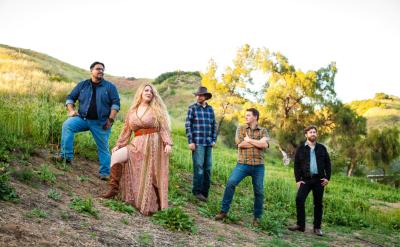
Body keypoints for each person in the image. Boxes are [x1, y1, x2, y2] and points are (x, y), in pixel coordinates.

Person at [101, 83, 172, 216]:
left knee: (149, 173)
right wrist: (120, 144)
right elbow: (127, 129)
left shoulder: (157, 110)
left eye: (151, 91)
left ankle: (152, 202)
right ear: (140, 92)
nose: (149, 93)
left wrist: (167, 143)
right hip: (136, 143)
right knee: (116, 156)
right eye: (146, 90)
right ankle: (113, 189)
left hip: (153, 144)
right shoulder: (132, 111)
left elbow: (164, 128)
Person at [54, 61, 120, 180]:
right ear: (91, 71)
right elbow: (70, 98)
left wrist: (110, 120)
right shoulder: (83, 85)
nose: (101, 71)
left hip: (101, 122)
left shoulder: (110, 87)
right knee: (67, 125)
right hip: (82, 118)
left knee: (103, 147)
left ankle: (105, 173)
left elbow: (116, 104)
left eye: (102, 69)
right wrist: (71, 110)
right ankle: (66, 156)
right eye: (98, 69)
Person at [215, 108, 269, 227]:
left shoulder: (263, 130)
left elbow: (264, 145)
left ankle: (257, 218)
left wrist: (249, 140)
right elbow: (239, 144)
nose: (246, 117)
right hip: (243, 164)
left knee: (259, 191)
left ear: (255, 117)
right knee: (231, 183)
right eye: (246, 115)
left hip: (259, 166)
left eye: (248, 115)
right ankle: (223, 211)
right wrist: (257, 143)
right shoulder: (241, 128)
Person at [288, 125, 331, 236]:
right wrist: (298, 180)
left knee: (318, 204)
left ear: (316, 134)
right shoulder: (301, 148)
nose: (313, 134)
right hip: (305, 180)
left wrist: (327, 178)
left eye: (314, 132)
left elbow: (328, 163)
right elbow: (296, 165)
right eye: (310, 132)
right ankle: (300, 225)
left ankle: (317, 228)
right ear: (306, 134)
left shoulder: (322, 148)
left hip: (319, 180)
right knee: (299, 199)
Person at [185, 86, 217, 202]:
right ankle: (197, 192)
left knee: (207, 168)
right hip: (197, 142)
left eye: (201, 95)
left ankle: (205, 193)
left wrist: (214, 140)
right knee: (198, 167)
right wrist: (191, 141)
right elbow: (188, 126)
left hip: (208, 143)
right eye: (197, 95)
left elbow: (214, 125)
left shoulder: (210, 109)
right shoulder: (192, 108)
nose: (198, 97)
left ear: (205, 97)